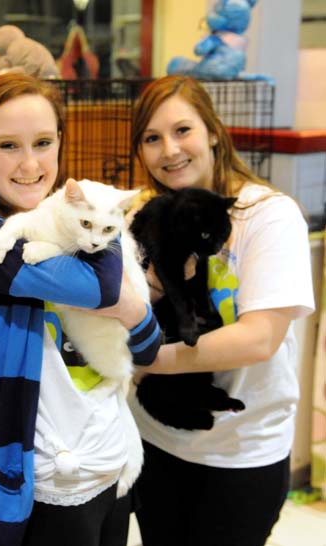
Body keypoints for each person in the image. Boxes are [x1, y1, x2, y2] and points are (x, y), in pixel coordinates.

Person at [0, 73, 161, 546]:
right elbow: (105, 288)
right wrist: (123, 295)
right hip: (48, 477)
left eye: (43, 142)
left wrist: (130, 309)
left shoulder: (88, 221)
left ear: (61, 142)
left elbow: (149, 349)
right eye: (7, 146)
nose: (29, 163)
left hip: (111, 459)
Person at [127, 74, 315, 546]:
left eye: (182, 130)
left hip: (241, 454)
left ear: (213, 131)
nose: (169, 150)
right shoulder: (144, 217)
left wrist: (150, 360)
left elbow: (258, 339)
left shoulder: (266, 214)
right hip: (156, 439)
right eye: (152, 138)